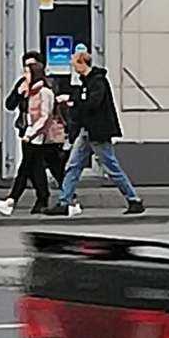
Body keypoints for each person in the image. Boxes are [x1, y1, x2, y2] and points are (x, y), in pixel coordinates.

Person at [50, 51, 145, 217]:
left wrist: (73, 100)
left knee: (111, 167)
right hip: (87, 131)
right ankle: (64, 201)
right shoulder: (86, 82)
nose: (73, 67)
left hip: (98, 132)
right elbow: (85, 102)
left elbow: (93, 103)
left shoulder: (97, 81)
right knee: (73, 165)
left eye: (75, 64)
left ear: (82, 63)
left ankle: (134, 199)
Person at [0, 54, 60, 217]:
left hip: (41, 134)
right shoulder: (25, 86)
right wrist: (20, 93)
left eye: (30, 68)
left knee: (35, 166)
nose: (25, 73)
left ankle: (13, 200)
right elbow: (10, 104)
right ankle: (42, 198)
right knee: (34, 167)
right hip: (27, 131)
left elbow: (46, 114)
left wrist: (33, 132)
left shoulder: (46, 88)